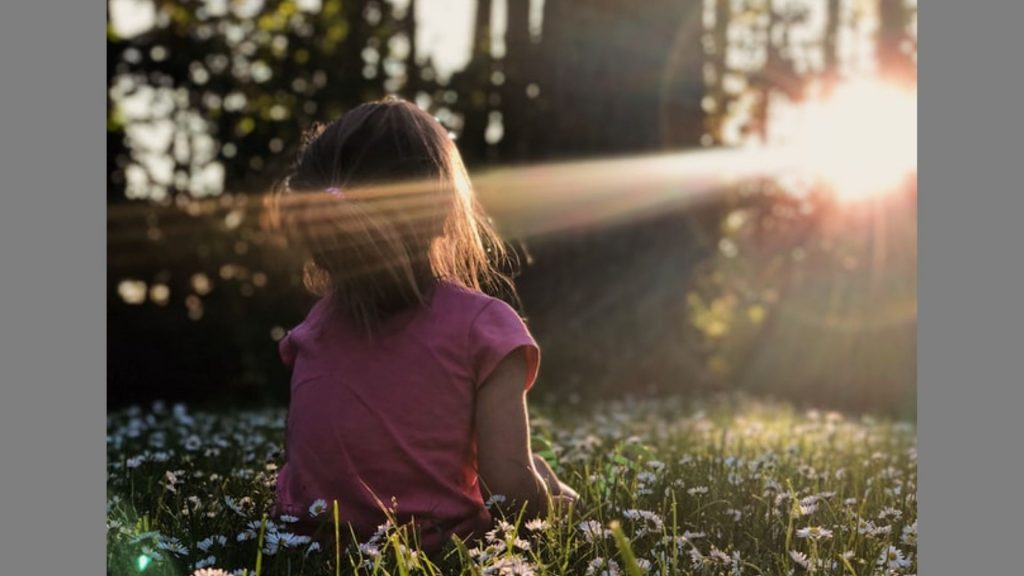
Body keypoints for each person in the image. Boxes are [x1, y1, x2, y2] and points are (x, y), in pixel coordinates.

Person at [268, 97, 578, 553]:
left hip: (306, 547)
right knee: (538, 476)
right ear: (440, 211)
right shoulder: (484, 328)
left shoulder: (314, 329)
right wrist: (560, 507)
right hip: (436, 552)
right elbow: (508, 490)